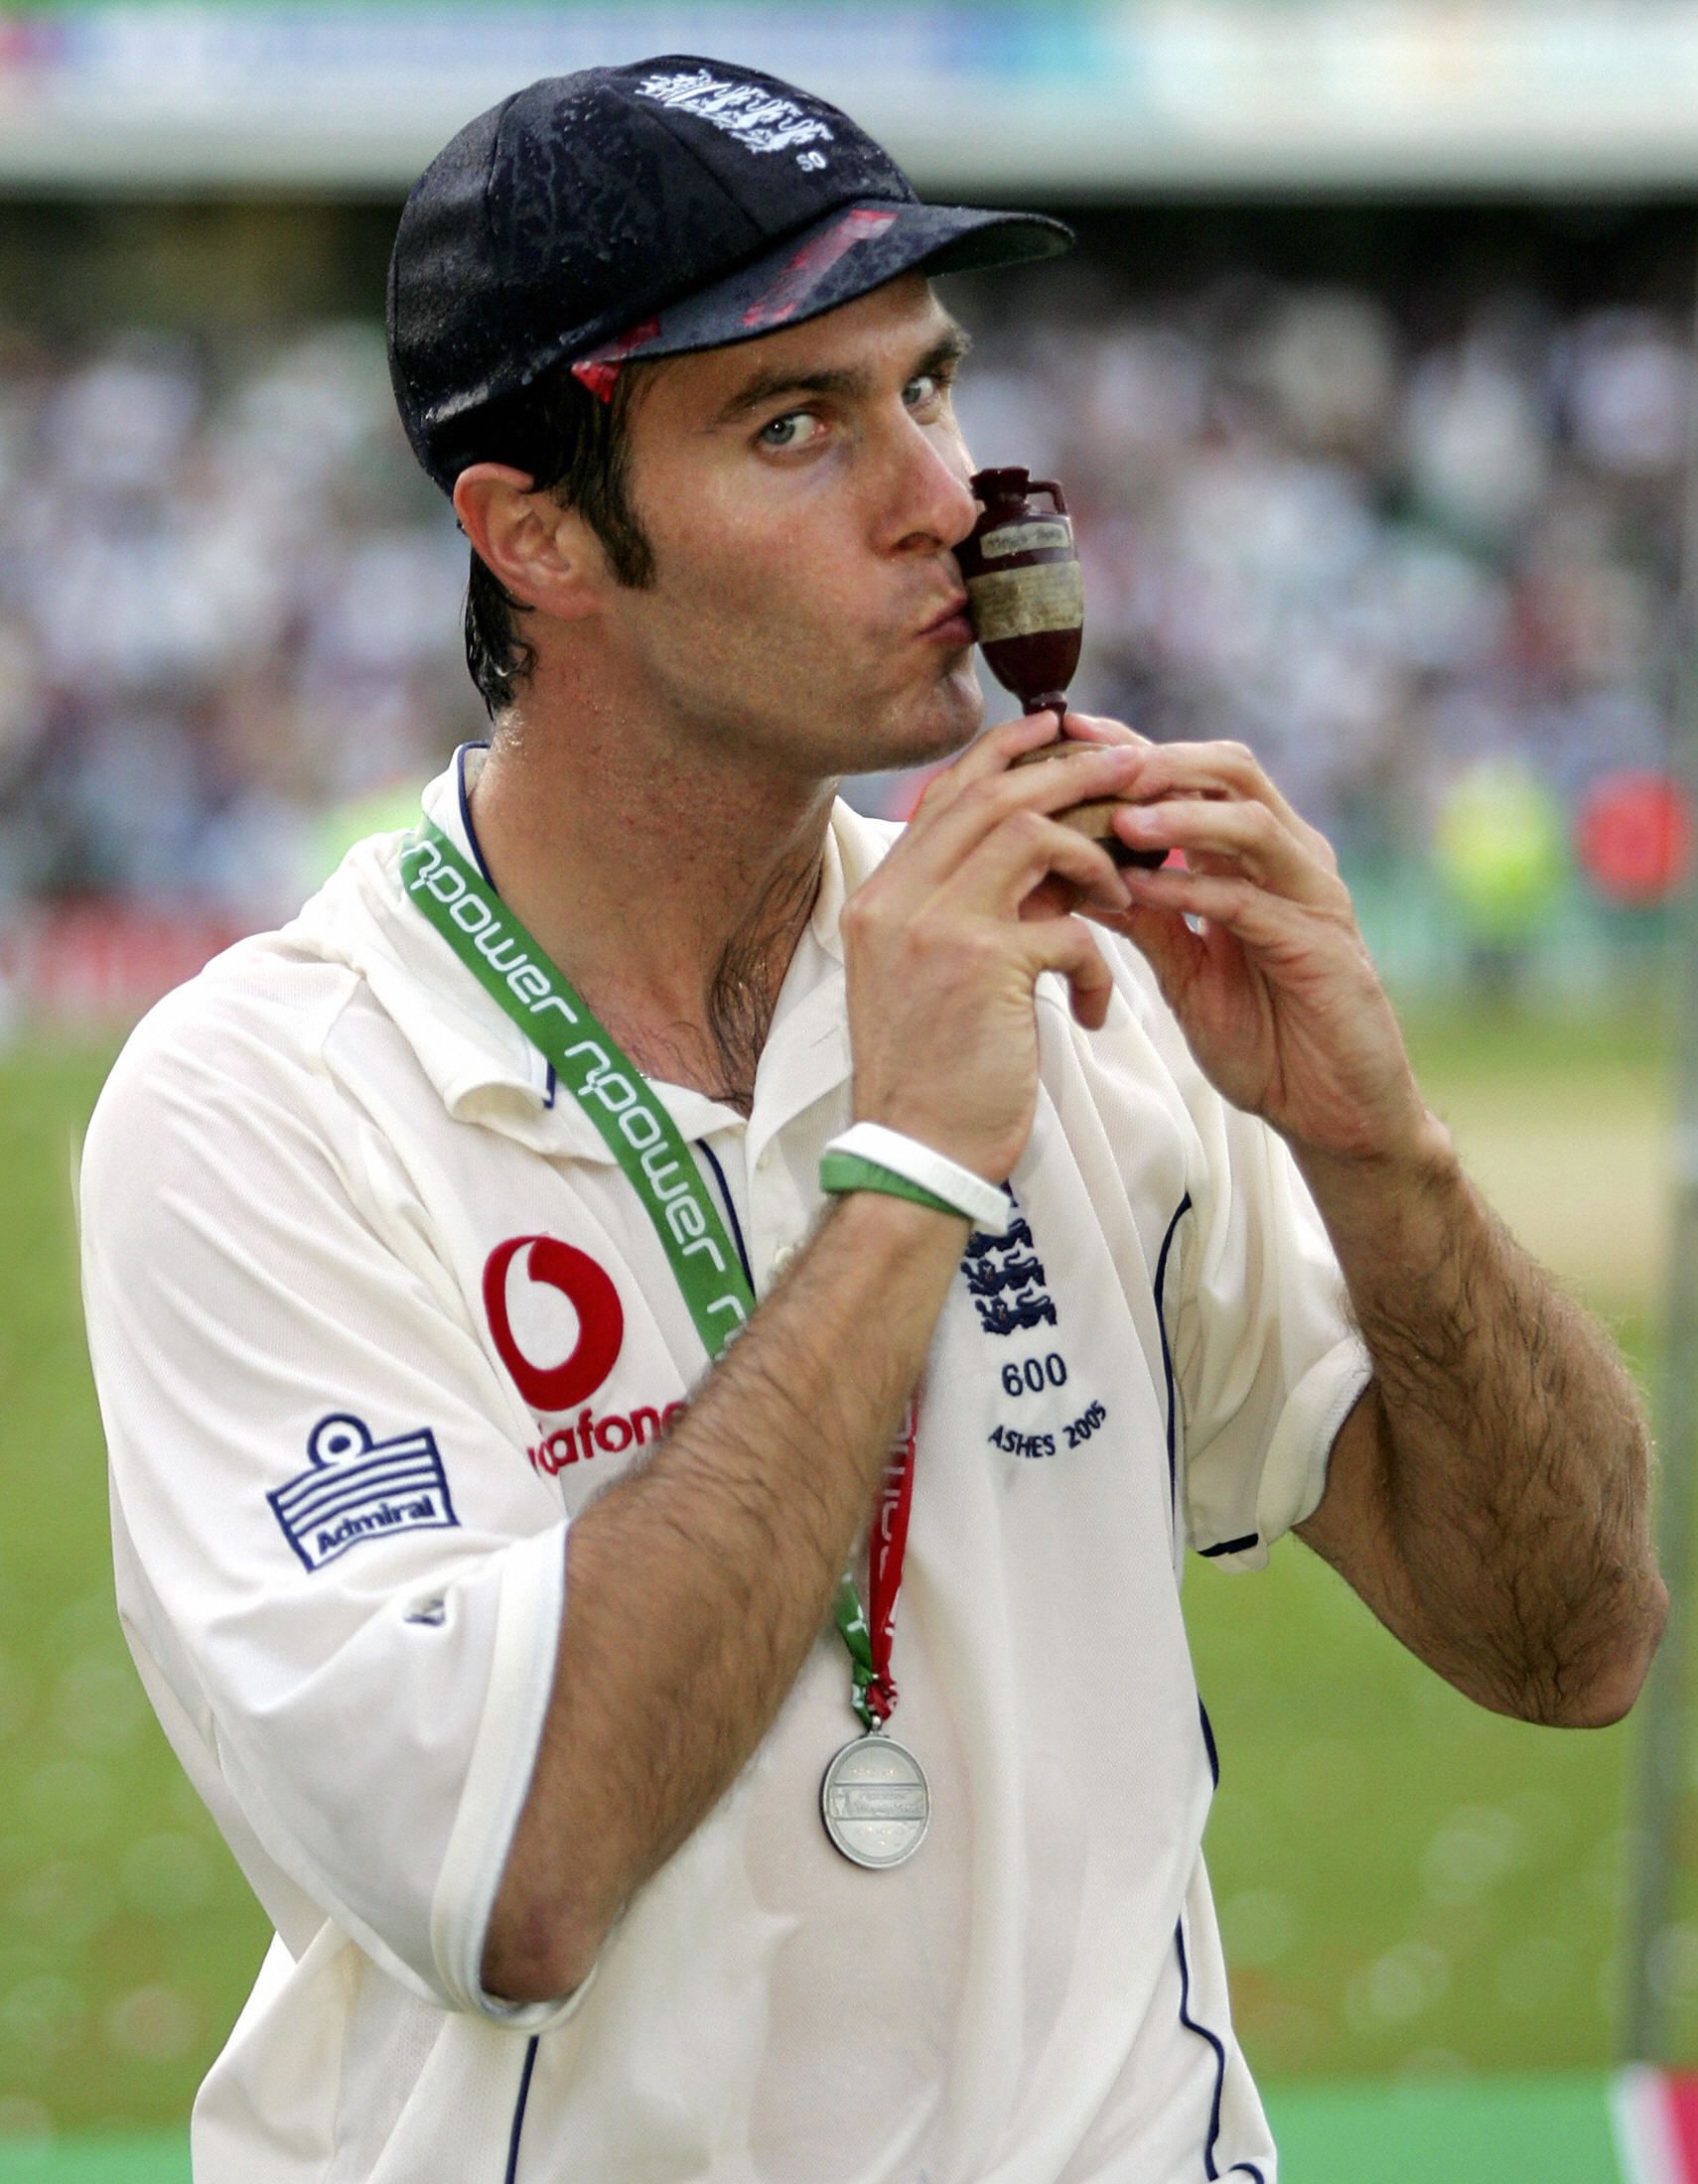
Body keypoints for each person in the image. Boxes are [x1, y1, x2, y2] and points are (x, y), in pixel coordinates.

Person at [79, 57, 1664, 2184]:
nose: (943, 493)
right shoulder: (262, 1098)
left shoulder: (1078, 986)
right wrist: (909, 1161)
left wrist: (1386, 1155)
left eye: (929, 386)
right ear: (531, 527)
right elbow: (519, 1873)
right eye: (797, 424)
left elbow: (1572, 1642)